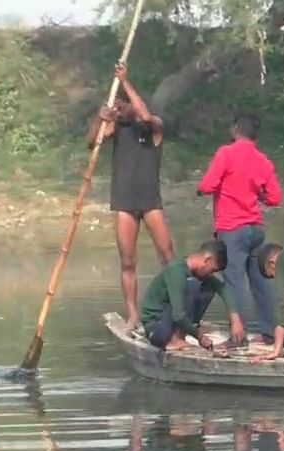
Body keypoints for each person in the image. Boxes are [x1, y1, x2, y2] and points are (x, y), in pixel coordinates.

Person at [91, 63, 175, 330]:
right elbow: (93, 142)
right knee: (127, 260)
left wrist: (125, 81)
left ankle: (175, 308)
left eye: (123, 104)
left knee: (168, 257)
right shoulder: (118, 129)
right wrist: (102, 118)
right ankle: (133, 314)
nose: (119, 108)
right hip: (125, 203)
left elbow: (146, 116)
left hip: (151, 202)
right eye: (118, 105)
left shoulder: (155, 128)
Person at [197, 112, 283, 344]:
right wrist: (258, 194)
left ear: (235, 129)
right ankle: (270, 334)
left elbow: (208, 184)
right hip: (256, 228)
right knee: (262, 283)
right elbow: (275, 198)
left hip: (232, 228)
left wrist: (201, 189)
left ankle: (238, 336)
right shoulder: (263, 160)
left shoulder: (226, 153)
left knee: (235, 283)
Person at [139, 240, 246, 351]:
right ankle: (174, 339)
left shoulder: (196, 272)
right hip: (156, 328)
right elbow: (178, 315)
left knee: (208, 287)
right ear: (207, 260)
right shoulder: (177, 272)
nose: (211, 274)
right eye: (212, 270)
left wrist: (235, 320)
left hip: (170, 322)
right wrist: (199, 336)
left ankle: (183, 333)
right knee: (192, 284)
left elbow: (223, 288)